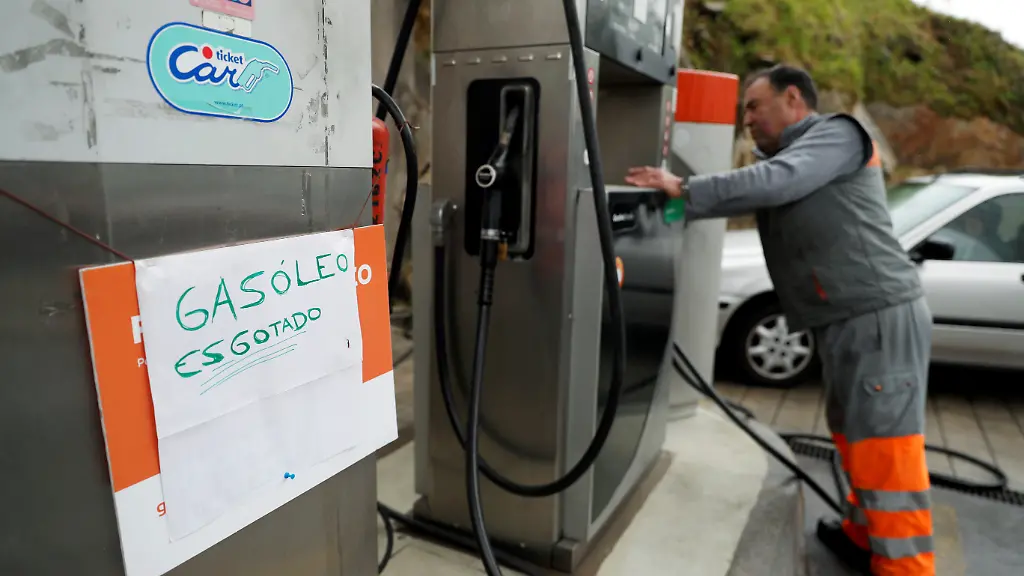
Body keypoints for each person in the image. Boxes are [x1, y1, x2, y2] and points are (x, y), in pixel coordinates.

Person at [626, 64, 934, 576]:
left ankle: (907, 568)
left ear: (793, 98)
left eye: (754, 106)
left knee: (886, 446)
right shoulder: (788, 158)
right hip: (847, 319)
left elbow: (775, 183)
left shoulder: (835, 136)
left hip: (876, 316)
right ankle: (865, 535)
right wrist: (655, 210)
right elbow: (757, 187)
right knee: (856, 433)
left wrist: (685, 187)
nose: (746, 119)